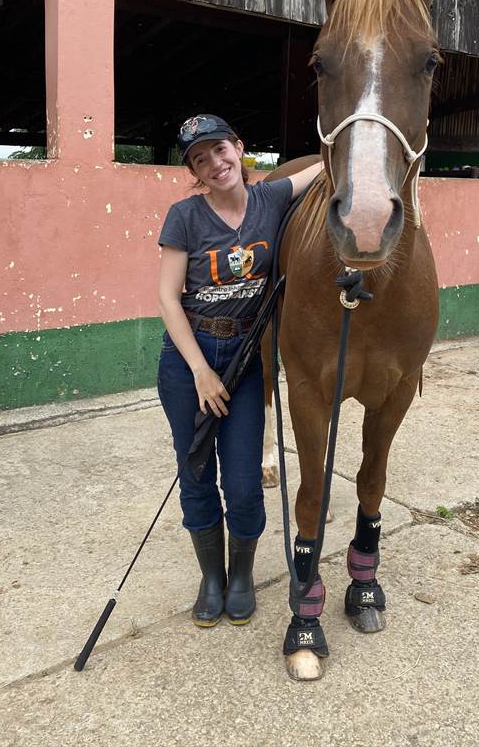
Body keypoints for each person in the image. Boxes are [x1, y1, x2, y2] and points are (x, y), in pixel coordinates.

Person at [157, 114, 321, 628]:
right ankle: (212, 577)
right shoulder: (184, 216)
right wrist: (200, 371)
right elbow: (168, 298)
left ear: (239, 148)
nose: (214, 163)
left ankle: (242, 575)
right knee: (196, 473)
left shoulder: (271, 199)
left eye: (220, 150)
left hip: (247, 358)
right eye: (199, 159)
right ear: (193, 172)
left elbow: (327, 163)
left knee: (245, 482)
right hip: (189, 359)